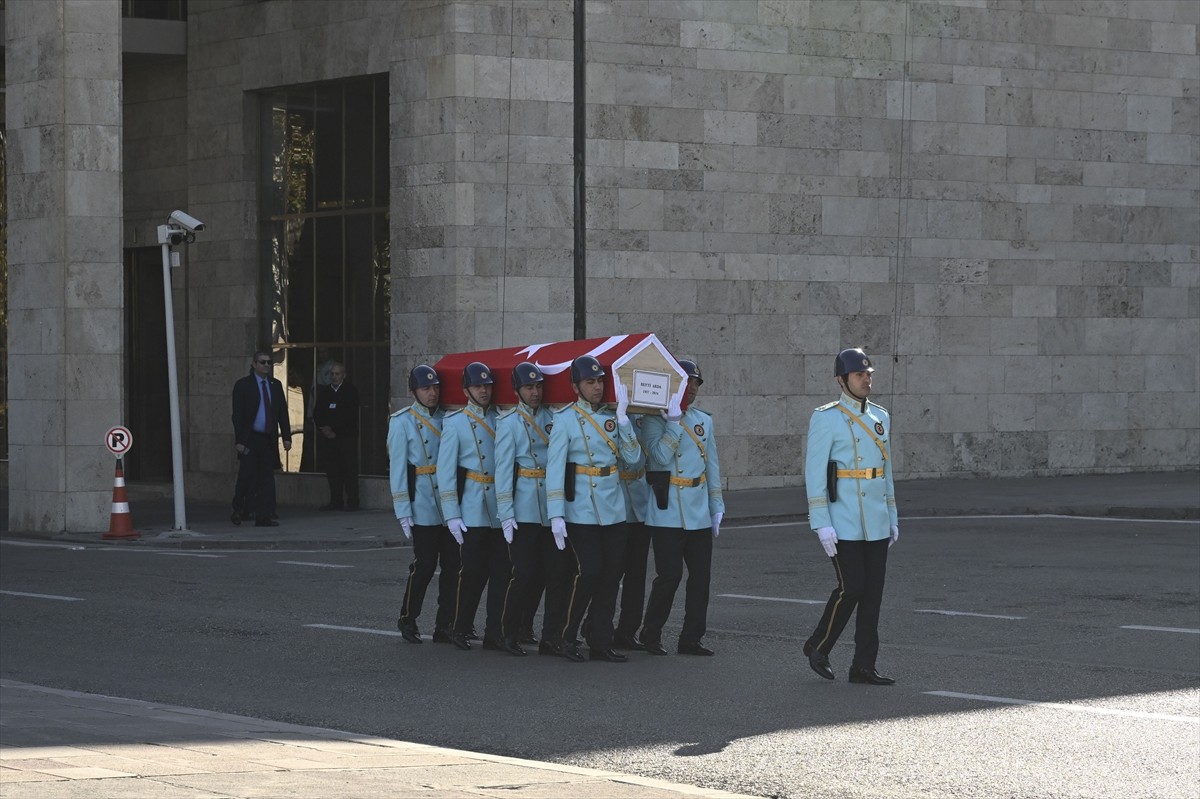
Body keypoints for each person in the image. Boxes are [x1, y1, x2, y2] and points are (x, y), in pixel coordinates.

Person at [802, 347, 899, 685]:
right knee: (852, 586)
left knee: (873, 593)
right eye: (859, 375)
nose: (866, 379)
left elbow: (885, 472)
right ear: (841, 380)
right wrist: (821, 522)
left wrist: (891, 515)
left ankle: (863, 666)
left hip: (874, 518)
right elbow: (814, 472)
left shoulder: (881, 417)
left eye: (869, 374)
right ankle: (818, 645)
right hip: (842, 518)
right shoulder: (826, 418)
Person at [545, 355, 642, 663]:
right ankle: (567, 635)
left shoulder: (614, 418)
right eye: (590, 382)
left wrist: (625, 422)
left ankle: (600, 640)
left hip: (613, 506)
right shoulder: (565, 420)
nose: (597, 387)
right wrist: (556, 513)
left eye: (600, 381)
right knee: (589, 572)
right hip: (581, 508)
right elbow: (555, 468)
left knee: (612, 574)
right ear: (576, 386)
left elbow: (635, 462)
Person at [637, 359, 724, 656]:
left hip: (698, 510)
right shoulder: (653, 420)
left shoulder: (704, 420)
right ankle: (651, 632)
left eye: (696, 384)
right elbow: (658, 459)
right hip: (667, 510)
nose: (692, 389)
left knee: (701, 577)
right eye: (687, 383)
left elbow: (711, 466)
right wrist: (672, 424)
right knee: (670, 575)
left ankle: (691, 638)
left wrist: (716, 506)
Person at [436, 361, 505, 652]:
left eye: (488, 385)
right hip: (473, 505)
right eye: (479, 386)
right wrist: (451, 514)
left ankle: (494, 631)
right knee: (472, 571)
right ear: (466, 390)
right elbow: (445, 472)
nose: (485, 390)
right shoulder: (455, 423)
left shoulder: (502, 419)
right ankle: (459, 626)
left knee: (501, 571)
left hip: (499, 507)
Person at [391, 364, 457, 645]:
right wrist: (403, 510)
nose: (432, 393)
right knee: (426, 565)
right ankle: (408, 617)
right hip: (423, 502)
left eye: (435, 388)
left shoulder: (449, 418)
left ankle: (445, 624)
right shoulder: (402, 421)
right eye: (425, 388)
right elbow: (397, 469)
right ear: (413, 391)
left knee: (454, 566)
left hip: (450, 503)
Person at [494, 362, 554, 655]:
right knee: (523, 573)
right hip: (525, 506)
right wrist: (506, 513)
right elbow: (503, 471)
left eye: (539, 386)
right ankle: (508, 631)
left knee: (543, 573)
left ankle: (526, 625)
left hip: (549, 506)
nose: (535, 392)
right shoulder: (508, 423)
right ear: (518, 390)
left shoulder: (552, 417)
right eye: (529, 387)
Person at [230, 350, 292, 527]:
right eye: (262, 362)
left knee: (266, 478)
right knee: (246, 475)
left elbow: (282, 413)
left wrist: (287, 437)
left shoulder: (275, 385)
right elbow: (238, 416)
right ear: (254, 364)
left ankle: (263, 515)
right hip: (250, 439)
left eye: (269, 363)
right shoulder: (243, 385)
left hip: (267, 439)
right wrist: (239, 441)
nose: (266, 366)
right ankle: (238, 509)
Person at [313, 361, 360, 511]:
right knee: (332, 471)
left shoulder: (350, 391)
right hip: (329, 438)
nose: (334, 377)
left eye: (337, 374)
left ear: (343, 375)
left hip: (346, 437)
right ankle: (336, 501)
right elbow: (317, 412)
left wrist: (335, 429)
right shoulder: (325, 392)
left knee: (349, 470)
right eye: (332, 374)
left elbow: (350, 414)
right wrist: (324, 429)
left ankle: (353, 502)